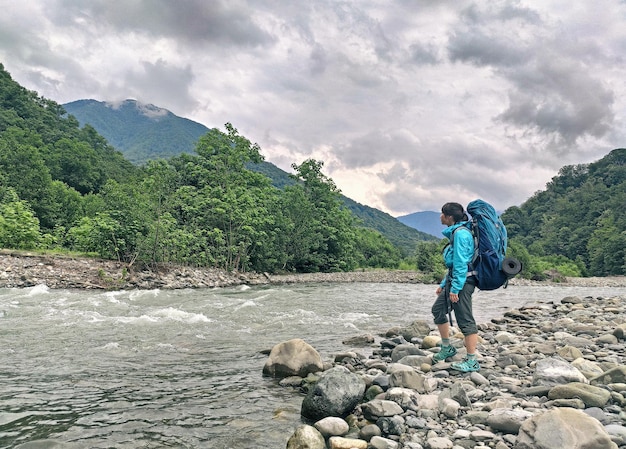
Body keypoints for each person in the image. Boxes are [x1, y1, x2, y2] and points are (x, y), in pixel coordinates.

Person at [431, 202, 480, 372]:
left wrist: (455, 289)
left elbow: (461, 263)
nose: (440, 216)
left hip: (463, 282)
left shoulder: (461, 234)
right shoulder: (457, 232)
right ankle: (447, 348)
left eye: (442, 213)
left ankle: (472, 361)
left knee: (465, 318)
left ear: (449, 217)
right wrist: (445, 284)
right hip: (454, 280)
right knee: (437, 310)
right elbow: (454, 265)